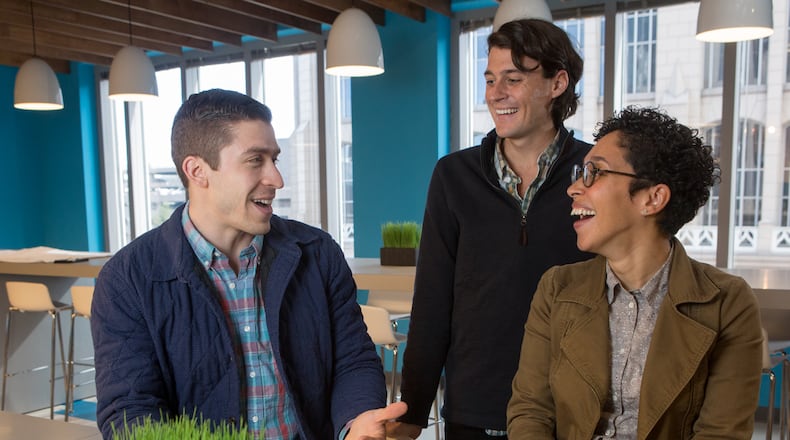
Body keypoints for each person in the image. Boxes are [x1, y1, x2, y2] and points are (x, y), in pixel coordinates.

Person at [90, 89, 406, 440]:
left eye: (275, 160)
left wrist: (355, 423)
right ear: (197, 171)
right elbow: (130, 409)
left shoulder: (318, 253)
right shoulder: (126, 280)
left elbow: (353, 361)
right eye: (256, 160)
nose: (276, 180)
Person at [388, 19, 594, 439]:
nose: (496, 94)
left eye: (513, 79)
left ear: (557, 83)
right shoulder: (453, 176)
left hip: (570, 409)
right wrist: (412, 414)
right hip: (474, 407)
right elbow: (431, 302)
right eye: (490, 79)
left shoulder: (593, 175)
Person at [507, 106, 763, 439]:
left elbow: (721, 433)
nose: (573, 189)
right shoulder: (556, 288)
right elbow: (531, 411)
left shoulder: (727, 302)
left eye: (594, 173)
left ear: (653, 198)